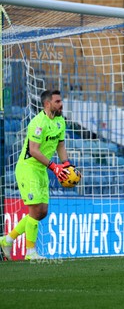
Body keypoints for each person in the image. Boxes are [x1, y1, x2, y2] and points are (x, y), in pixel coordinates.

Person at [0, 90, 72, 261]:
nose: (61, 104)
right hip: (28, 168)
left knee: (42, 212)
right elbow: (33, 151)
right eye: (57, 102)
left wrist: (67, 165)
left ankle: (7, 240)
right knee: (35, 210)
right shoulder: (38, 123)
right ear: (48, 104)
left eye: (61, 101)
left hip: (42, 169)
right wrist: (54, 166)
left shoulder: (60, 121)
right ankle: (30, 252)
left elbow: (60, 146)